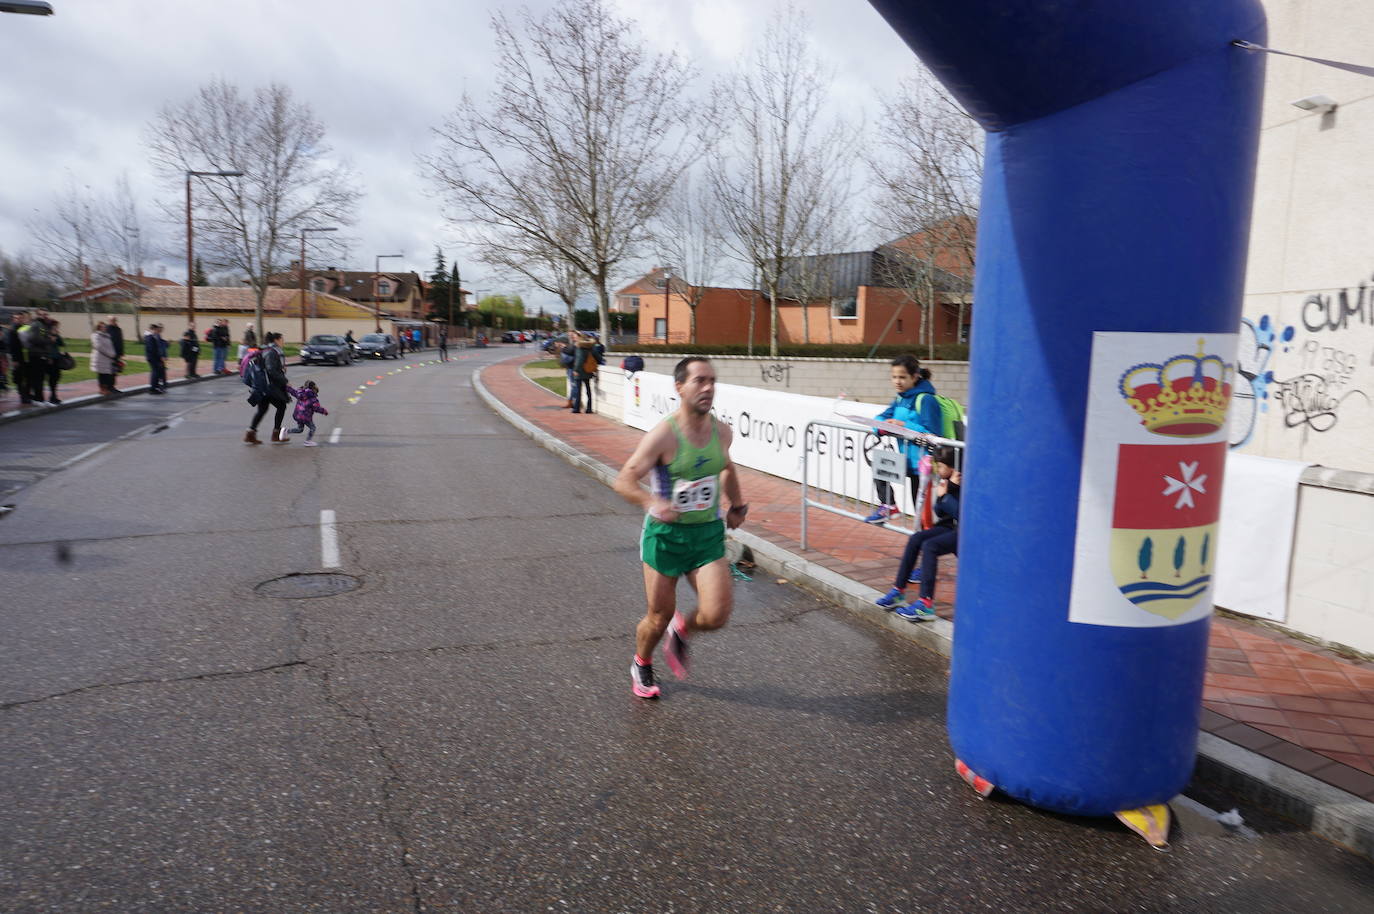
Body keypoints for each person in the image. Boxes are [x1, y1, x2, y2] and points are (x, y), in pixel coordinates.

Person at [612, 356, 749, 699]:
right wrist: (650, 503)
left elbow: (726, 467)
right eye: (700, 381)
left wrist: (736, 504)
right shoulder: (663, 435)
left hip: (706, 536)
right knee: (658, 617)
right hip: (666, 538)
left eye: (712, 381)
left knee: (716, 614)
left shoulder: (722, 431)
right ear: (679, 387)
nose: (708, 388)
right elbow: (624, 479)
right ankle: (641, 662)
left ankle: (684, 629)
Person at [875, 445, 962, 620]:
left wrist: (946, 496)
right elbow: (939, 511)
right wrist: (945, 493)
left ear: (952, 467)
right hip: (948, 527)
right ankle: (899, 590)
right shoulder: (947, 482)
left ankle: (926, 604)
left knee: (930, 546)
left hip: (963, 532)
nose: (937, 470)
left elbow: (961, 514)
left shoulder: (964, 482)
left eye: (941, 467)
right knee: (916, 539)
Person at [863, 354, 943, 524]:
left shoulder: (927, 400)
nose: (897, 381)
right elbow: (881, 417)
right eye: (894, 377)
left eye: (902, 377)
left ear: (915, 377)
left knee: (923, 517)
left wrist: (903, 425)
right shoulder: (900, 397)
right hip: (904, 459)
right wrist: (881, 426)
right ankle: (889, 506)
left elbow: (933, 434)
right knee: (880, 465)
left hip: (923, 465)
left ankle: (928, 544)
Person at [245, 331, 291, 444]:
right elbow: (271, 370)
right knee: (281, 406)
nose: (283, 342)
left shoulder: (264, 350)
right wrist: (285, 381)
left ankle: (250, 433)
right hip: (269, 387)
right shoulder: (272, 352)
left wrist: (281, 370)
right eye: (282, 339)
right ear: (276, 340)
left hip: (262, 386)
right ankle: (276, 434)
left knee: (262, 410)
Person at [284, 379, 328, 446]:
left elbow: (292, 391)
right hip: (305, 417)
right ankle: (308, 441)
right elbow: (317, 408)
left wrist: (287, 387)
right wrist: (324, 411)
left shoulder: (300, 393)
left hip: (297, 415)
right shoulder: (313, 398)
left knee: (300, 429)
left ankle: (286, 431)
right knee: (313, 428)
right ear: (313, 388)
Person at [6, 309, 31, 405]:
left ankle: (27, 394)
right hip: (18, 357)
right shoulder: (12, 330)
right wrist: (14, 359)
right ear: (13, 319)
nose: (19, 320)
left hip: (26, 356)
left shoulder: (24, 328)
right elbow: (11, 346)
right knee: (19, 378)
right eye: (17, 318)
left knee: (27, 377)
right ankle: (23, 396)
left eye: (21, 318)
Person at [44, 319, 67, 404]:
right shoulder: (46, 335)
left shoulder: (56, 335)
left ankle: (54, 395)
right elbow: (46, 347)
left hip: (57, 358)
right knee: (52, 378)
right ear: (51, 327)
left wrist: (57, 335)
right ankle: (52, 396)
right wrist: (48, 357)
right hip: (50, 359)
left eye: (57, 326)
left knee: (57, 377)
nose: (57, 328)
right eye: (56, 326)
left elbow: (62, 344)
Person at [92, 321, 118, 395]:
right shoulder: (96, 335)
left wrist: (113, 353)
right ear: (99, 328)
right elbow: (99, 347)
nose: (104, 328)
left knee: (106, 374)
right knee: (102, 375)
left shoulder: (107, 335)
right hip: (100, 358)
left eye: (105, 327)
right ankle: (102, 389)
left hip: (107, 358)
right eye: (103, 327)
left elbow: (110, 346)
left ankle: (106, 388)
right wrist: (110, 354)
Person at [144, 323, 168, 394]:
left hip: (156, 357)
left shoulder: (153, 337)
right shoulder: (150, 337)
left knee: (157, 372)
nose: (158, 330)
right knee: (155, 373)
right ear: (153, 329)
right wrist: (160, 357)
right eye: (156, 329)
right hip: (153, 358)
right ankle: (153, 388)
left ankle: (156, 387)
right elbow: (152, 349)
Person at [105, 316, 125, 392]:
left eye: (115, 320)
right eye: (112, 320)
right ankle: (108, 386)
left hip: (117, 353)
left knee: (115, 371)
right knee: (109, 371)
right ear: (109, 321)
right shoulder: (107, 329)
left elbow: (120, 341)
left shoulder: (118, 329)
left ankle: (112, 386)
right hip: (109, 354)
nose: (114, 321)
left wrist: (121, 352)